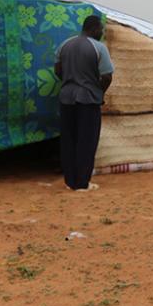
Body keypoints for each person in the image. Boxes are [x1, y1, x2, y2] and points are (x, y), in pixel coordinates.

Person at [54, 15, 114, 191]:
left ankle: (70, 181)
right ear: (95, 29)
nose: (102, 32)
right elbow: (107, 76)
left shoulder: (65, 45)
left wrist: (68, 81)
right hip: (88, 99)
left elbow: (58, 70)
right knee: (86, 141)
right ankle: (82, 183)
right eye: (101, 29)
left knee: (69, 139)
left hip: (66, 98)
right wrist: (98, 91)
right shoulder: (99, 48)